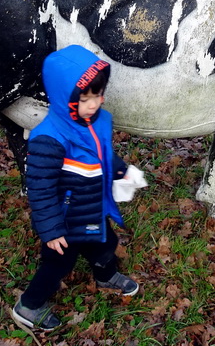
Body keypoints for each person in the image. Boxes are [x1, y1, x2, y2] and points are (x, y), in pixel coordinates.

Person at [11, 45, 139, 331]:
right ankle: (29, 305)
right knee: (58, 264)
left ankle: (106, 276)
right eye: (85, 98)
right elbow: (40, 188)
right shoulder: (49, 138)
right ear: (64, 97)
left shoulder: (97, 121)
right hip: (65, 218)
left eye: (97, 95)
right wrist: (51, 229)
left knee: (106, 243)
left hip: (91, 206)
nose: (94, 104)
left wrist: (121, 171)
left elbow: (103, 152)